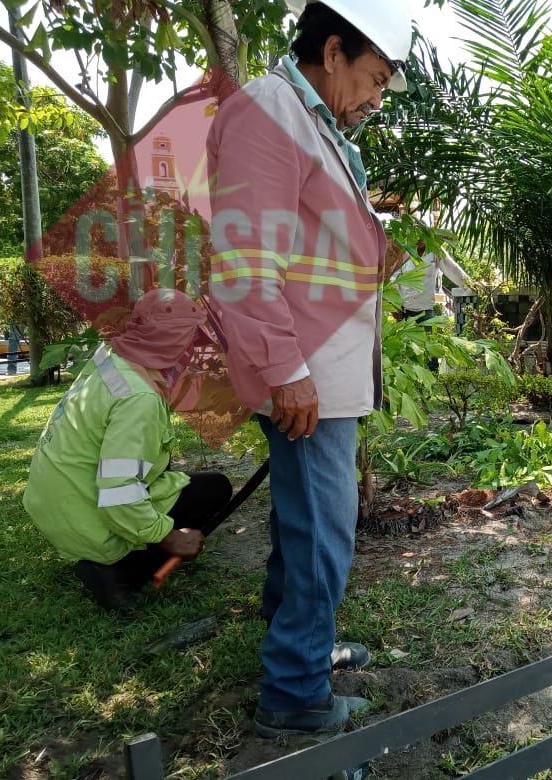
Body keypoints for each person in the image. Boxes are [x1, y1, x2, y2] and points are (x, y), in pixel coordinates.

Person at [206, 0, 413, 737]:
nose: (376, 99)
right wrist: (286, 370)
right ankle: (293, 696)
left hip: (322, 369)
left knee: (306, 526)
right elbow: (243, 260)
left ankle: (298, 649)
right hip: (308, 374)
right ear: (333, 52)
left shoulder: (309, 118)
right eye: (375, 79)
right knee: (326, 532)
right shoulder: (270, 113)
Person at [22, 288, 233, 610]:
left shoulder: (112, 359)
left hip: (60, 506)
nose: (196, 350)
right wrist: (170, 536)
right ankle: (116, 570)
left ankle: (107, 556)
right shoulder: (139, 399)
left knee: (196, 483)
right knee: (214, 490)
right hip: (87, 518)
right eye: (193, 340)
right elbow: (118, 490)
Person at [395, 238, 472, 370]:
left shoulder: (435, 250)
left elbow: (451, 267)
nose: (419, 239)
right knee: (406, 354)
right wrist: (394, 306)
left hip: (426, 311)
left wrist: (470, 284)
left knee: (431, 354)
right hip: (404, 311)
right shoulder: (403, 250)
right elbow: (394, 277)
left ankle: (431, 386)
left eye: (422, 235)